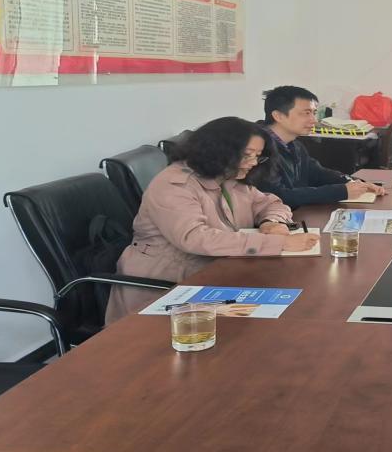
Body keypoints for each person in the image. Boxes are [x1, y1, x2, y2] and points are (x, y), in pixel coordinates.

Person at [106, 117, 319, 323]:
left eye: (258, 156)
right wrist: (279, 243)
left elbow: (270, 203)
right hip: (167, 286)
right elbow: (195, 238)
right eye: (247, 155)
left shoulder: (227, 177)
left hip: (216, 272)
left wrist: (272, 222)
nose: (254, 163)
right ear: (218, 151)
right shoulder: (174, 185)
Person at [258, 86, 385, 207]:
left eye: (314, 113)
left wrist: (356, 183)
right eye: (306, 113)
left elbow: (318, 173)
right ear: (278, 116)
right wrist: (341, 191)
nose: (314, 120)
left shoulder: (294, 144)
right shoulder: (258, 150)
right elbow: (279, 196)